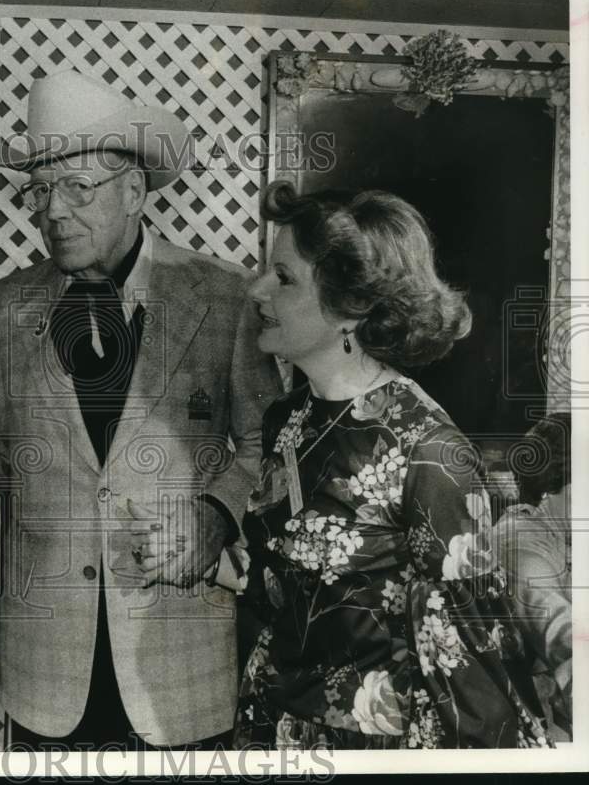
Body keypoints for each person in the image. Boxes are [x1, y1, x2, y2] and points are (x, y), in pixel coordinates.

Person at [0, 69, 281, 750]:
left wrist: (217, 515)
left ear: (134, 191)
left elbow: (267, 447)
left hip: (180, 660)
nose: (53, 211)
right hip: (45, 666)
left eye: (77, 187)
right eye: (41, 191)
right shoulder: (5, 306)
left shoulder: (224, 298)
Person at [230, 180, 552, 749]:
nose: (256, 289)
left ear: (350, 308)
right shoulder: (288, 418)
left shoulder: (428, 451)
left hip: (373, 746)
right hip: (274, 728)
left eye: (283, 277)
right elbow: (285, 583)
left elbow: (468, 654)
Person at [493, 413, 572, 740]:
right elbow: (558, 629)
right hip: (531, 732)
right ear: (556, 484)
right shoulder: (519, 540)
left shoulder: (561, 534)